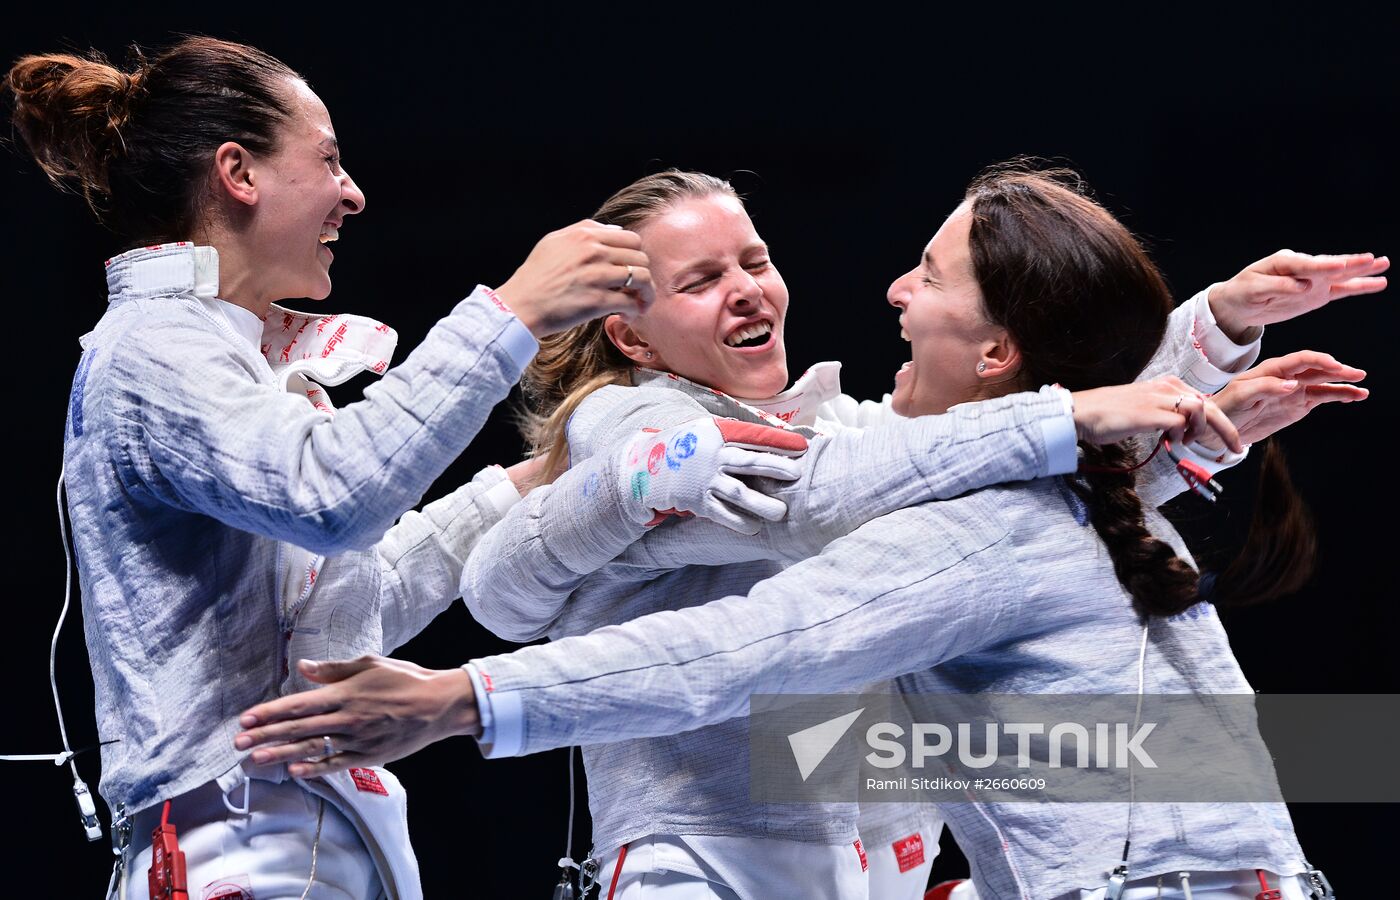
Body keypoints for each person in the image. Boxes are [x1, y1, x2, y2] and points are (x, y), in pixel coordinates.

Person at [235, 167, 1382, 898]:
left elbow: (998, 417)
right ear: (629, 337)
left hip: (889, 858)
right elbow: (507, 585)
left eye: (755, 260)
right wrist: (600, 491)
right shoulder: (638, 427)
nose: (752, 289)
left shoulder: (882, 453)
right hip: (701, 856)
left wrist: (1202, 352)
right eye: (700, 280)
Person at [0, 35, 729, 900]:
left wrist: (526, 484)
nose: (354, 193)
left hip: (305, 845)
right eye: (330, 160)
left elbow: (347, 610)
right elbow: (333, 496)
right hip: (241, 847)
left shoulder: (228, 358)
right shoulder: (153, 352)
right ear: (239, 173)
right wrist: (512, 313)